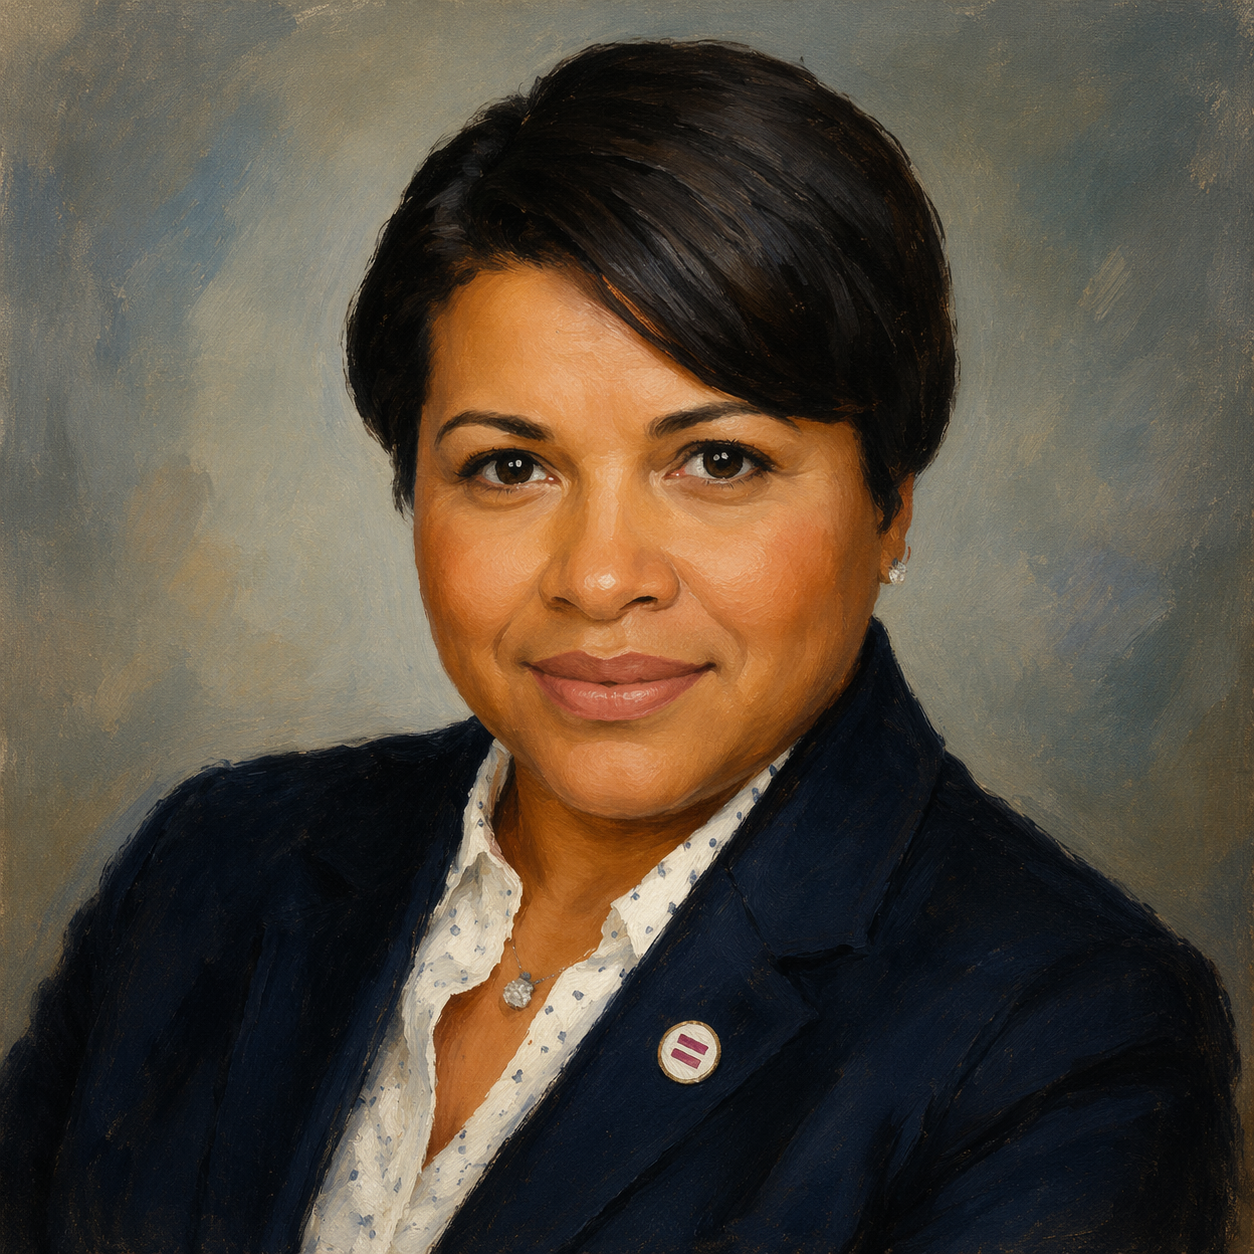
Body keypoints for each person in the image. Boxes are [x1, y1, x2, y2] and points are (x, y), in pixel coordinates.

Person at [0, 39, 1240, 1254]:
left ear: (890, 504)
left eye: (718, 462)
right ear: (410, 489)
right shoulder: (214, 873)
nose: (600, 579)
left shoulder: (1066, 1035)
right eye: (511, 467)